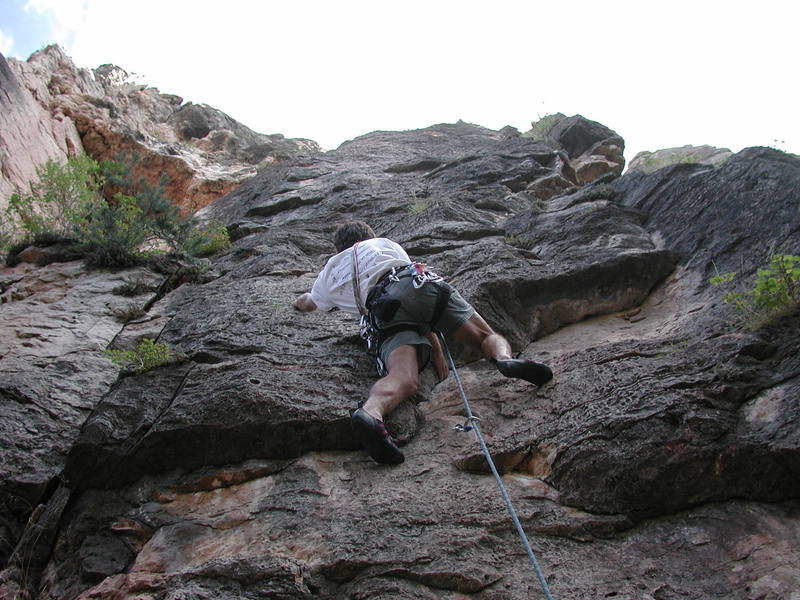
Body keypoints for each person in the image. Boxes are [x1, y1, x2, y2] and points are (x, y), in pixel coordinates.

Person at [293, 221, 552, 465]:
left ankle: (371, 412)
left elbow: (308, 302)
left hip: (384, 310)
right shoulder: (384, 244)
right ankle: (505, 360)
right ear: (369, 236)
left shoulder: (330, 271)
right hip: (415, 281)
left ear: (339, 248)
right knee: (485, 336)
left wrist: (295, 303)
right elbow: (415, 302)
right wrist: (437, 348)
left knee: (403, 377)